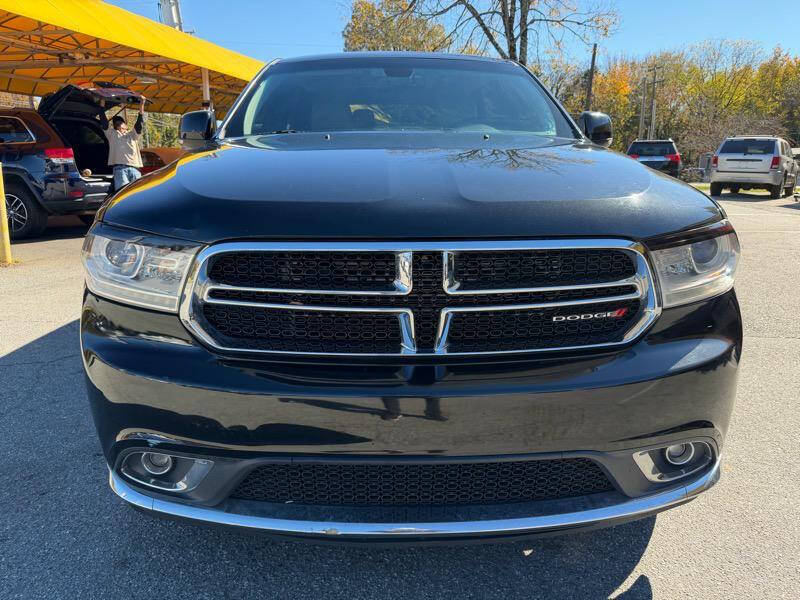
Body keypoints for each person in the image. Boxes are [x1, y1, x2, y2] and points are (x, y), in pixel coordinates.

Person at [98, 96, 146, 190]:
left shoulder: (132, 134)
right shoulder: (112, 134)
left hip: (135, 169)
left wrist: (142, 105)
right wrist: (102, 103)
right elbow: (103, 120)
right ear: (114, 126)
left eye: (120, 122)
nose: (118, 123)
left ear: (126, 125)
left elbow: (139, 122)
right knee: (122, 195)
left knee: (138, 194)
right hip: (120, 170)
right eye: (116, 123)